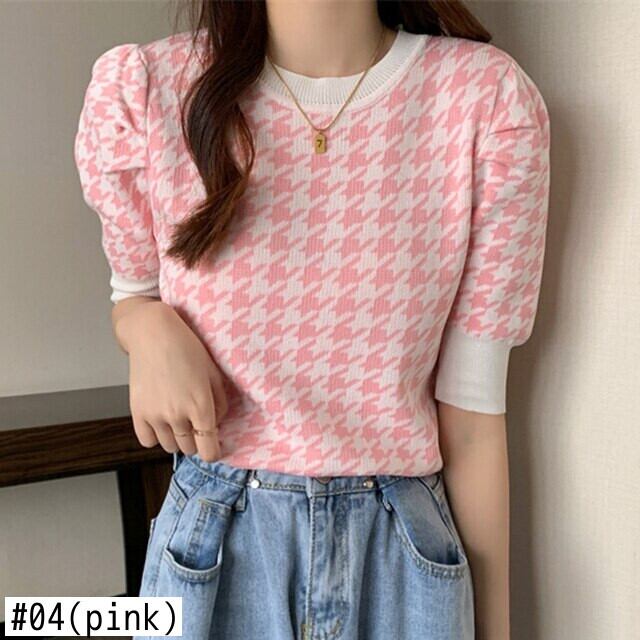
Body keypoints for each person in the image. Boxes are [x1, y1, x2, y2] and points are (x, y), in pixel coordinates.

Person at [73, 1, 550, 638]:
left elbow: (471, 418)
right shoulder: (150, 93)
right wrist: (145, 325)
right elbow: (132, 294)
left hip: (402, 564)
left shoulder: (482, 100)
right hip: (215, 554)